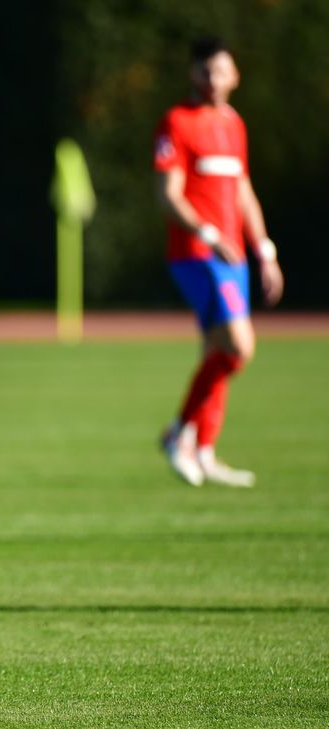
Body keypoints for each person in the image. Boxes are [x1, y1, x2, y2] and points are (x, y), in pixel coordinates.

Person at [154, 37, 284, 487]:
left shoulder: (233, 124)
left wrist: (264, 249)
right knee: (239, 345)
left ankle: (204, 450)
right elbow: (167, 197)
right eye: (205, 71)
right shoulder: (177, 122)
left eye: (221, 71)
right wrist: (208, 234)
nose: (213, 80)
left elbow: (243, 191)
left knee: (220, 352)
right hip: (197, 255)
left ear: (235, 76)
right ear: (193, 74)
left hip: (234, 256)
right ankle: (178, 435)